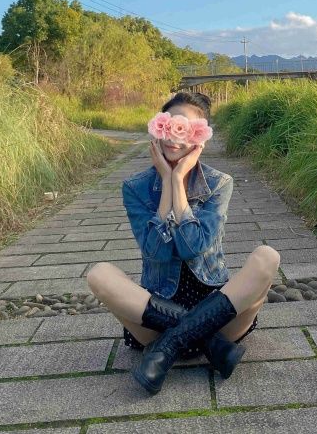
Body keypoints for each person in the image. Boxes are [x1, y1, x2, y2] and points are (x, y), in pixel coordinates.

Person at [87, 91, 281, 395]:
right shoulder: (135, 187)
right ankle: (209, 345)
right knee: (99, 274)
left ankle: (169, 346)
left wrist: (177, 181)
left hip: (220, 315)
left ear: (200, 138)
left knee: (267, 257)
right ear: (158, 127)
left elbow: (194, 247)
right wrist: (167, 183)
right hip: (154, 319)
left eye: (187, 130)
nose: (175, 137)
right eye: (169, 126)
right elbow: (157, 251)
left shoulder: (219, 183)